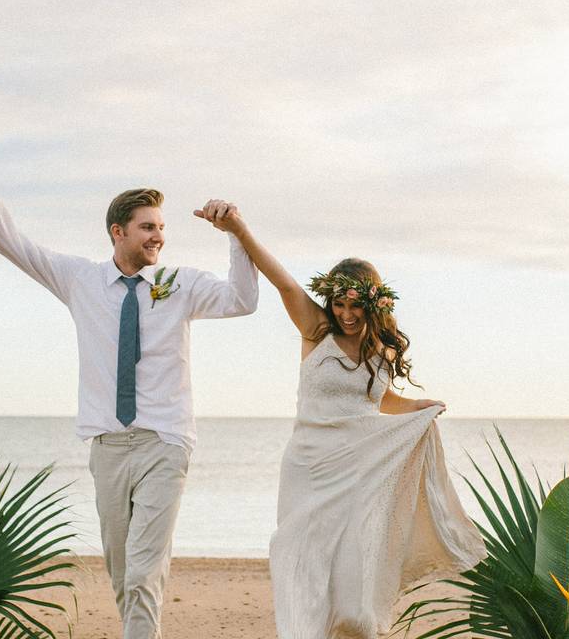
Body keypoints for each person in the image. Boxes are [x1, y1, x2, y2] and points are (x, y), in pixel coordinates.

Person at [0, 121, 259, 639]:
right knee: (122, 575)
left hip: (165, 441)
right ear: (118, 232)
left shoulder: (177, 284)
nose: (159, 235)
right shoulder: (79, 280)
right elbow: (9, 241)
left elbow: (243, 299)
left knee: (141, 572)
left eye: (161, 227)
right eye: (147, 227)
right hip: (108, 446)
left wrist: (236, 238)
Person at [195, 205, 487, 639]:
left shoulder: (382, 352)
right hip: (309, 468)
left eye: (355, 305)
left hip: (360, 474)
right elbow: (283, 280)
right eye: (339, 303)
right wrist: (237, 228)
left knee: (354, 582)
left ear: (374, 304)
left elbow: (379, 398)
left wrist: (419, 407)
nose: (346, 314)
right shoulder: (316, 330)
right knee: (304, 562)